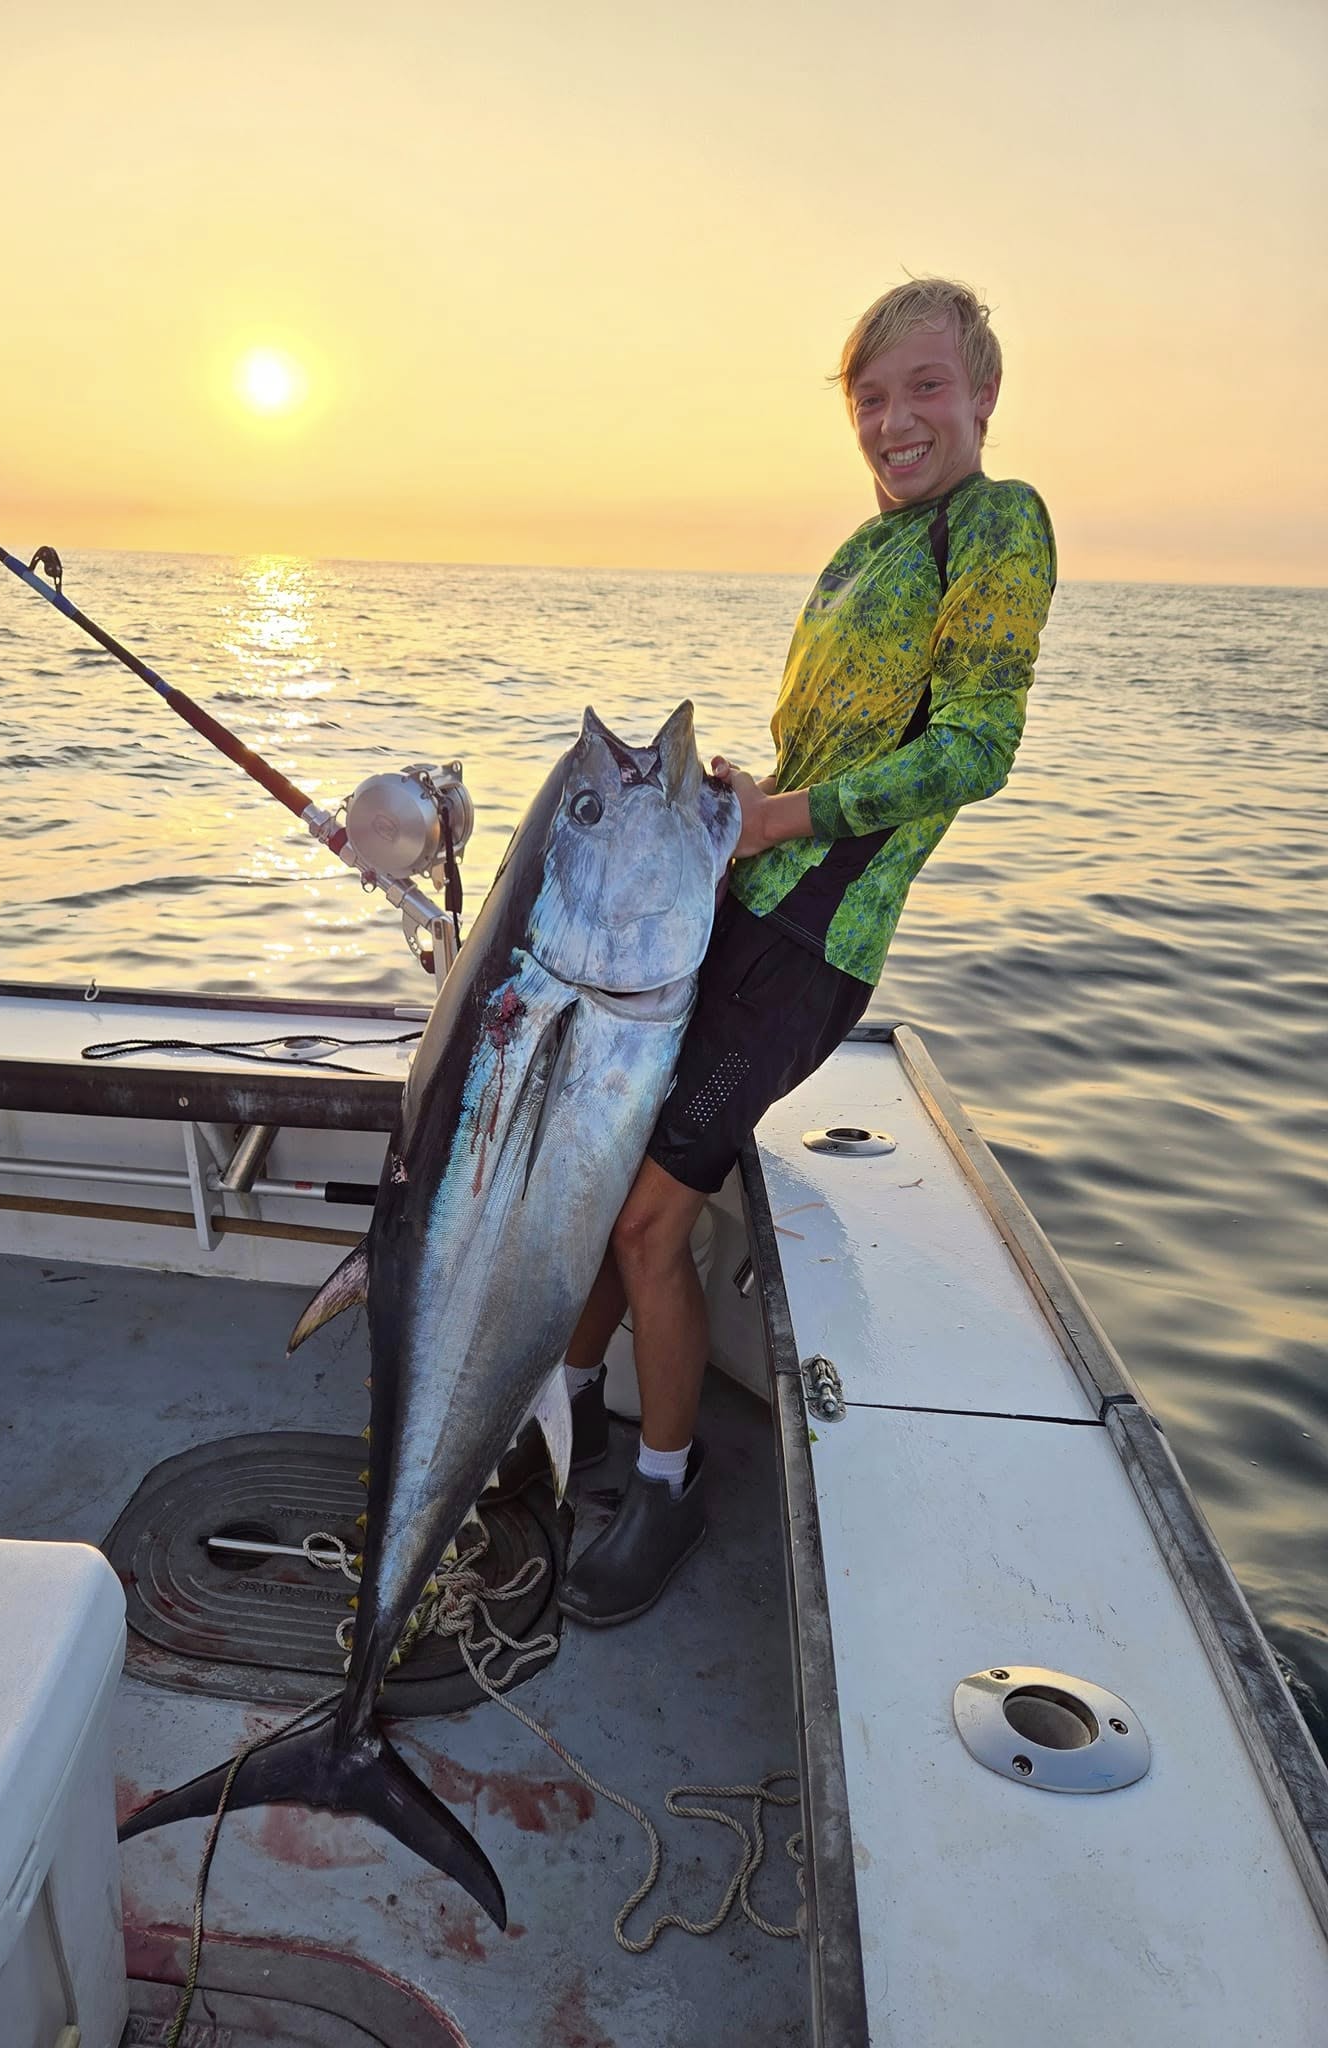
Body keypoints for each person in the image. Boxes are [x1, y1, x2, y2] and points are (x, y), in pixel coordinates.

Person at [549, 276, 1058, 1626]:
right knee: (607, 1180)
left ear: (984, 394)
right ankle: (565, 1418)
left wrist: (791, 814)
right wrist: (747, 799)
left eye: (925, 388)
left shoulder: (998, 525)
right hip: (740, 907)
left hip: (812, 948)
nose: (897, 421)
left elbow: (974, 750)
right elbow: (831, 755)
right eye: (872, 397)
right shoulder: (859, 551)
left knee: (654, 1218)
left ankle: (665, 1484)